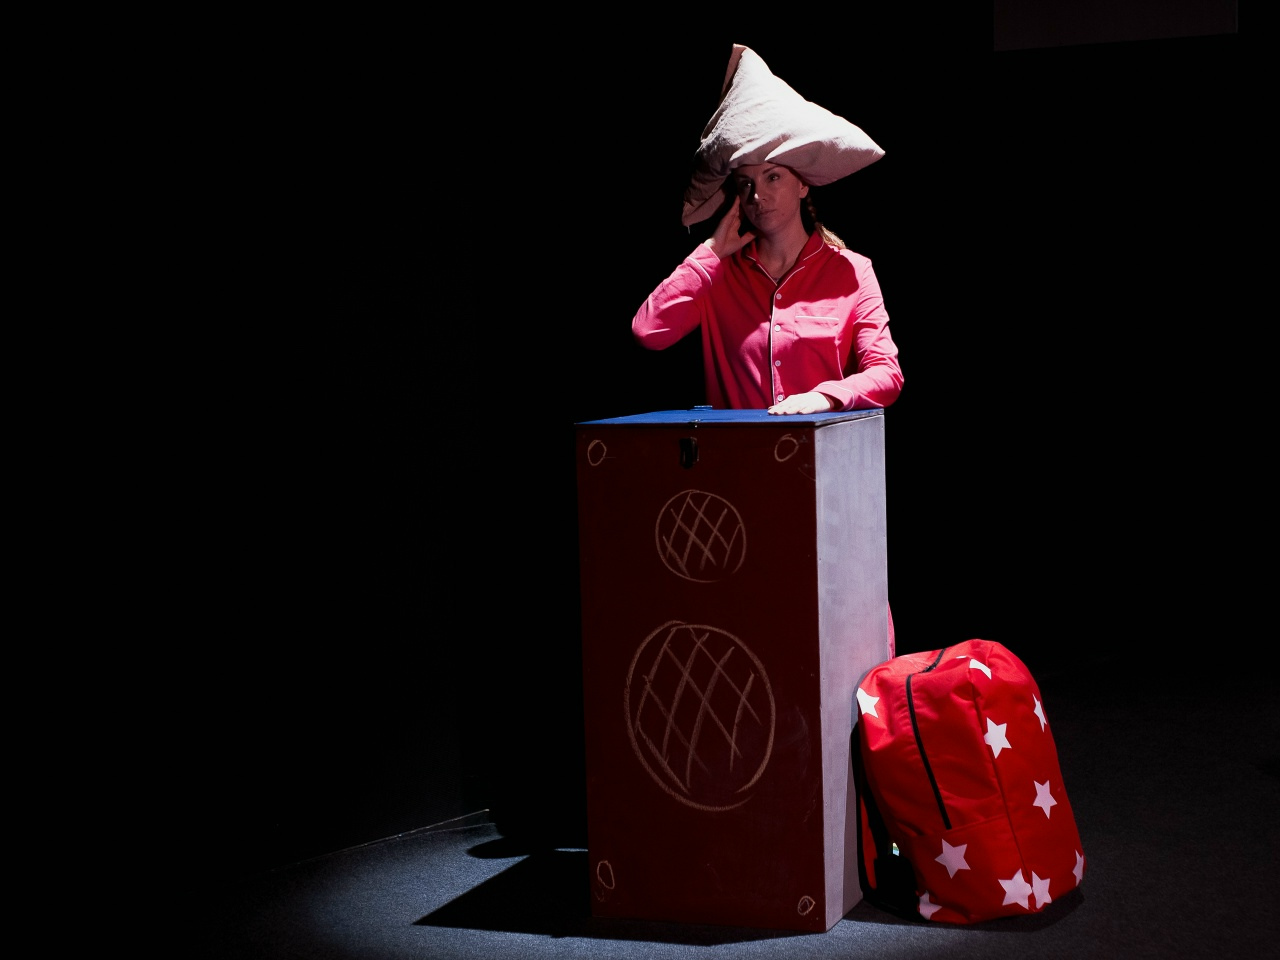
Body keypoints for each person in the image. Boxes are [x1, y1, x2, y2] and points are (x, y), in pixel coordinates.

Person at [630, 162, 903, 416]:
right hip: (740, 449)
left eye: (772, 177)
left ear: (802, 185)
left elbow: (886, 372)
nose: (757, 196)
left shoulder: (853, 270)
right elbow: (648, 332)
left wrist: (827, 396)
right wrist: (710, 252)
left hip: (824, 448)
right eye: (746, 184)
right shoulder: (716, 273)